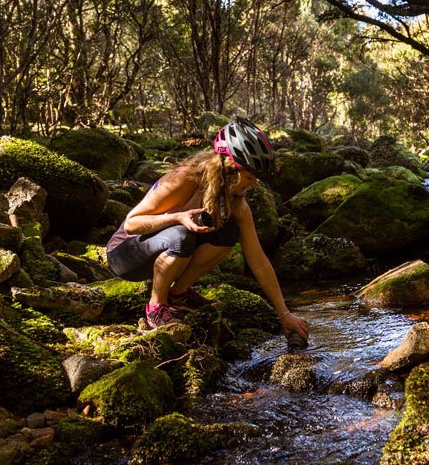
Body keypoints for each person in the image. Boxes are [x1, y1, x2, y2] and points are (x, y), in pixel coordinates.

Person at [106, 118, 310, 342]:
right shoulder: (185, 179)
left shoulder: (238, 204)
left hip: (162, 250)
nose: (253, 185)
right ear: (230, 167)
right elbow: (131, 223)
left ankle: (179, 295)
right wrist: (177, 217)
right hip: (124, 255)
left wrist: (284, 314)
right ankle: (156, 307)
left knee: (228, 232)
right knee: (181, 235)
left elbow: (258, 260)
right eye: (250, 177)